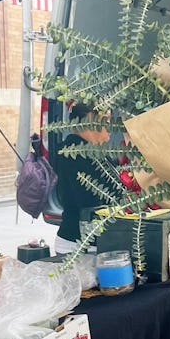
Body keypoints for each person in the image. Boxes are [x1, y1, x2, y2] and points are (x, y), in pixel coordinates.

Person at [52, 102, 110, 253]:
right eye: (107, 122)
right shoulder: (74, 154)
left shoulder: (94, 154)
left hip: (87, 241)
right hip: (78, 245)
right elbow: (89, 200)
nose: (110, 133)